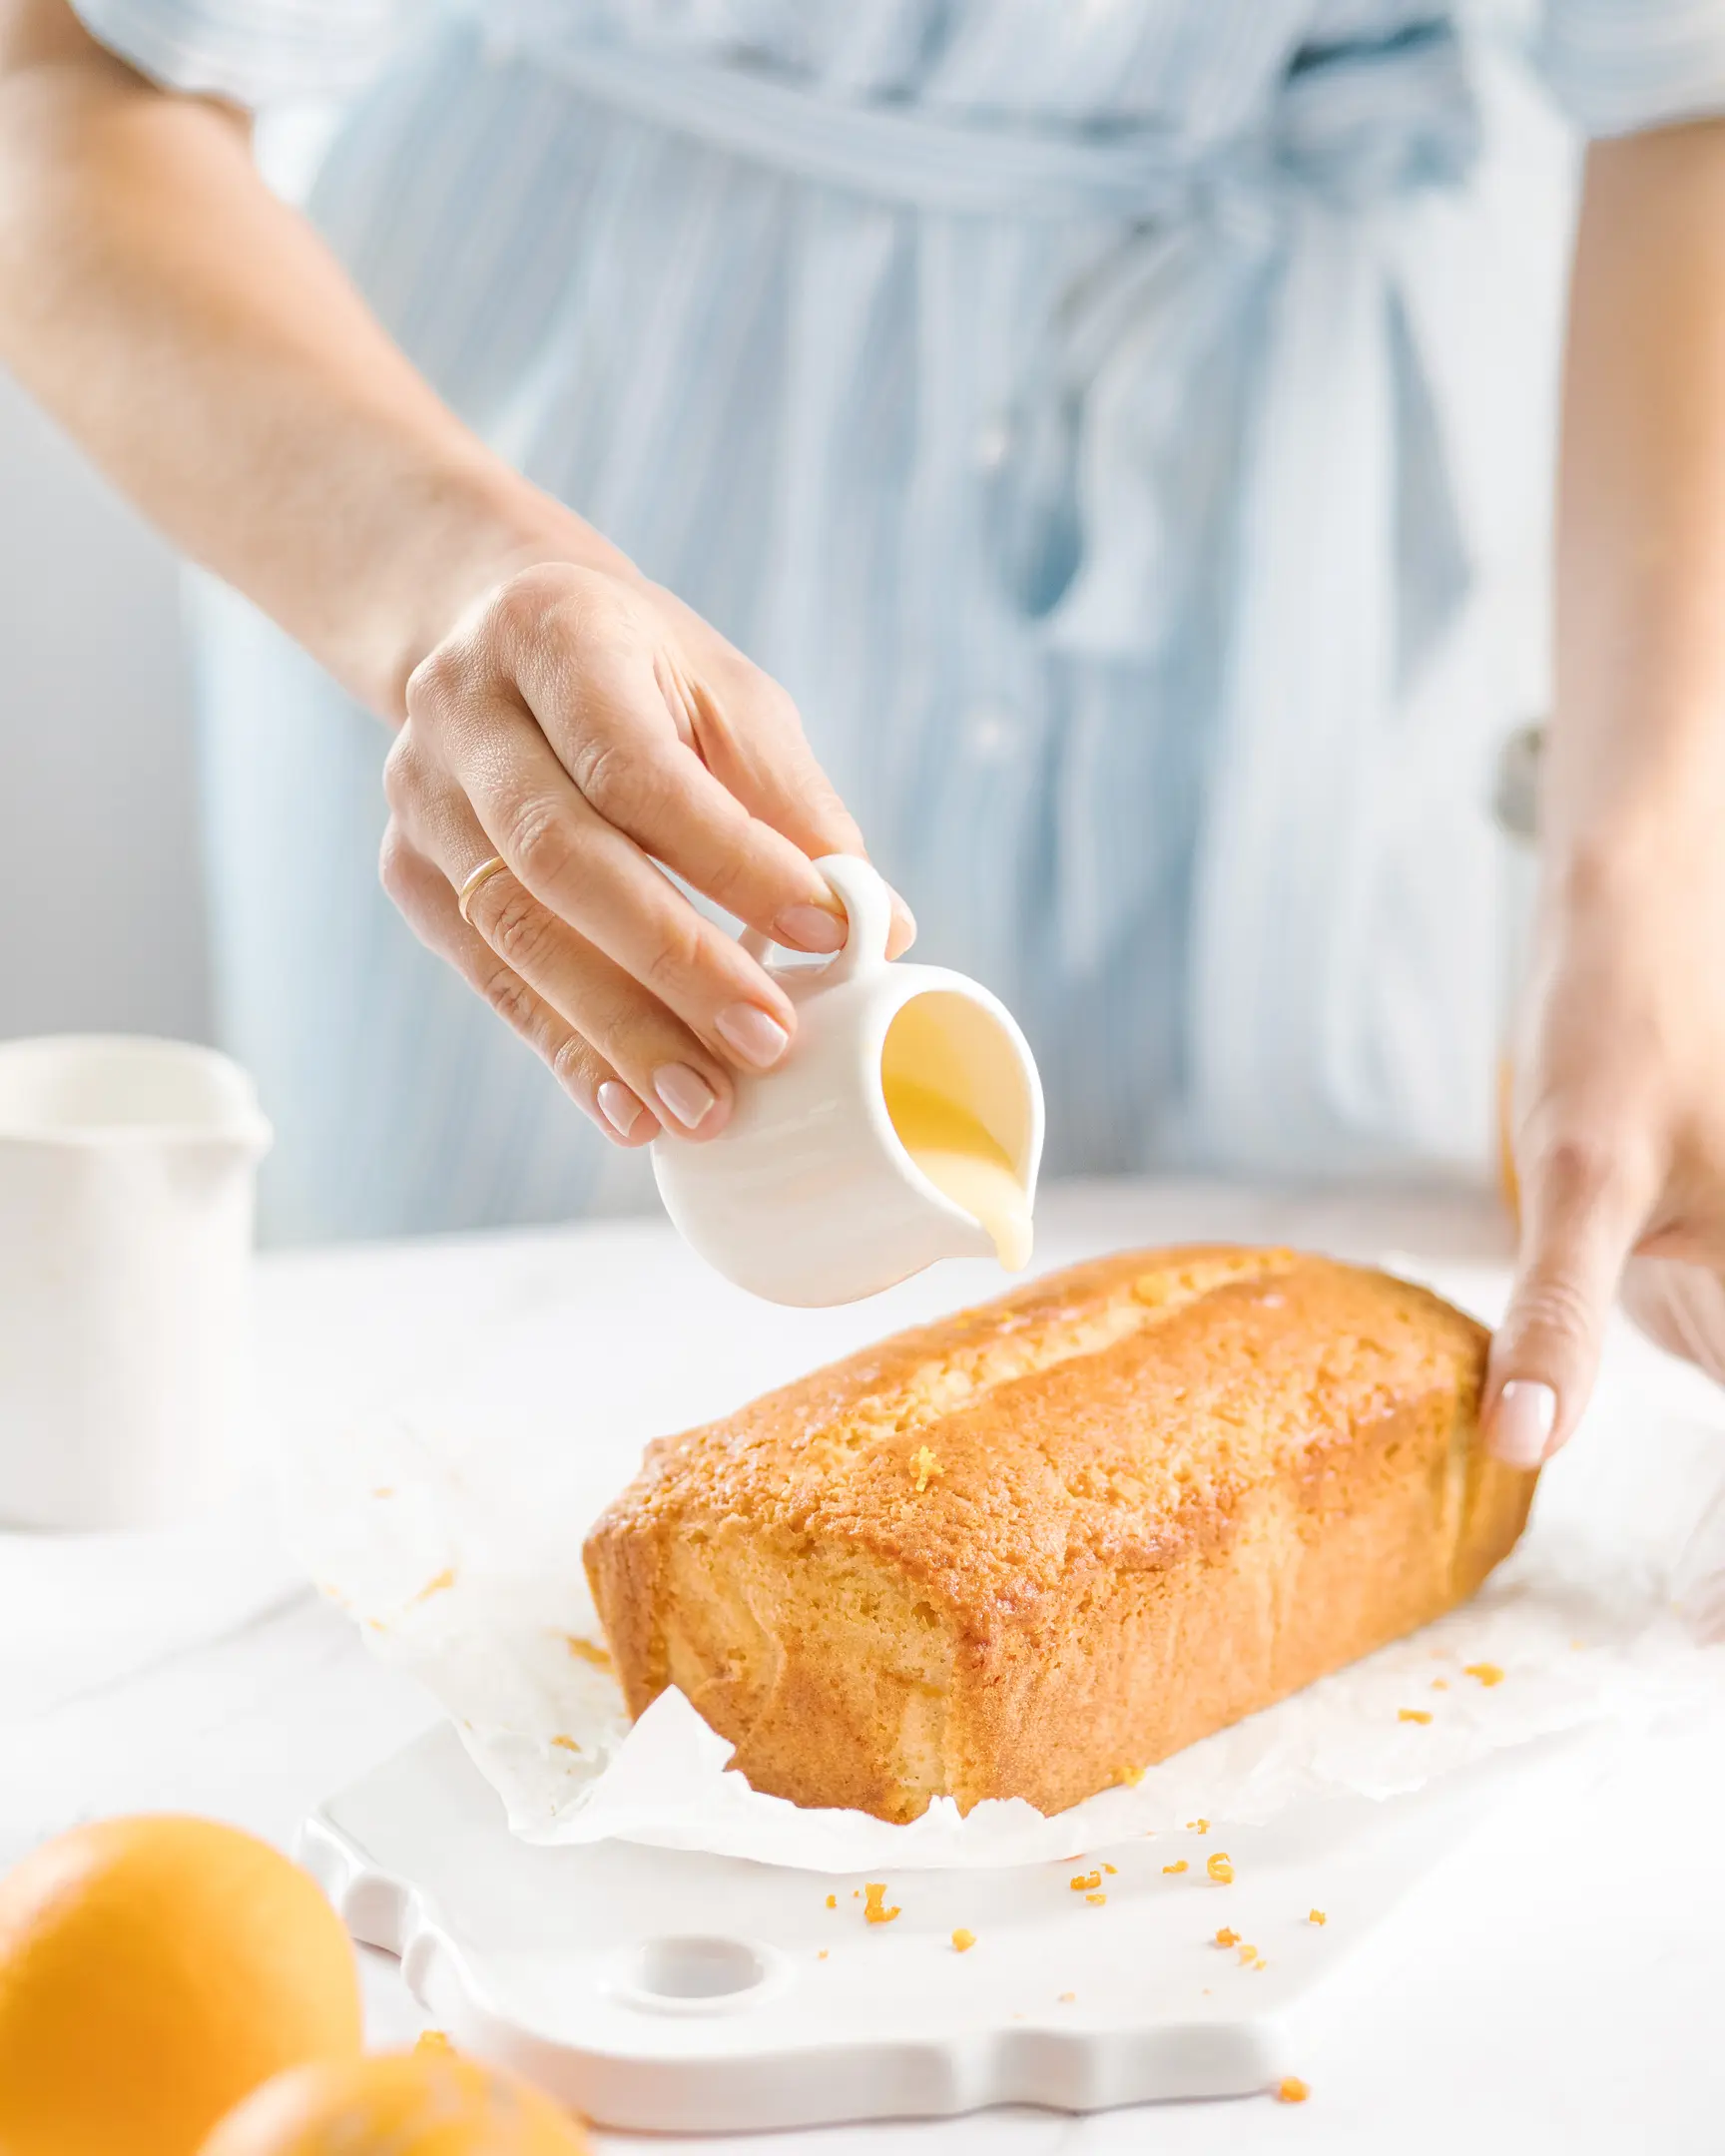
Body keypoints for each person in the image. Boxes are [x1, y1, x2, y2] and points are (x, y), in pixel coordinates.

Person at [2, 0, 1723, 1470]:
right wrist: (455, 571)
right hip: (556, 486)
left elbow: (1687, 97)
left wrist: (1640, 865)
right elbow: (64, 85)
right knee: (469, 1460)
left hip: (1315, 531)